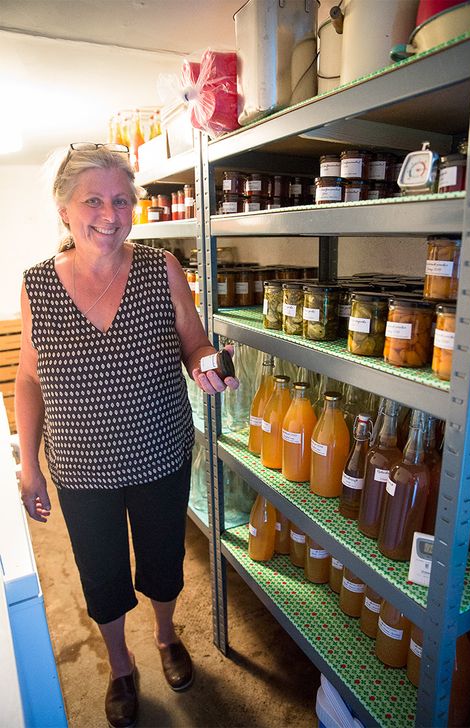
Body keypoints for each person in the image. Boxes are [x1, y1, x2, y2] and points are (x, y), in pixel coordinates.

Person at [15, 142, 239, 728]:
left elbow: (195, 343)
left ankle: (165, 638)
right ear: (65, 208)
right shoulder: (37, 285)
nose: (109, 215)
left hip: (159, 451)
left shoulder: (160, 268)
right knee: (102, 572)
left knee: (163, 560)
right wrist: (29, 464)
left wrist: (210, 363)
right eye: (93, 200)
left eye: (120, 200)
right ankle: (120, 664)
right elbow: (29, 377)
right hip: (82, 466)